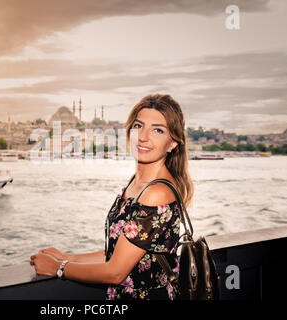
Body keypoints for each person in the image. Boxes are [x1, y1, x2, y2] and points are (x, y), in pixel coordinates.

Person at [30, 94, 193, 300]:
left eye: (158, 130)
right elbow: (119, 252)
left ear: (172, 143)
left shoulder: (156, 193)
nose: (143, 136)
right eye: (138, 126)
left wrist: (60, 268)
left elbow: (115, 272)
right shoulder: (136, 184)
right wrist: (69, 257)